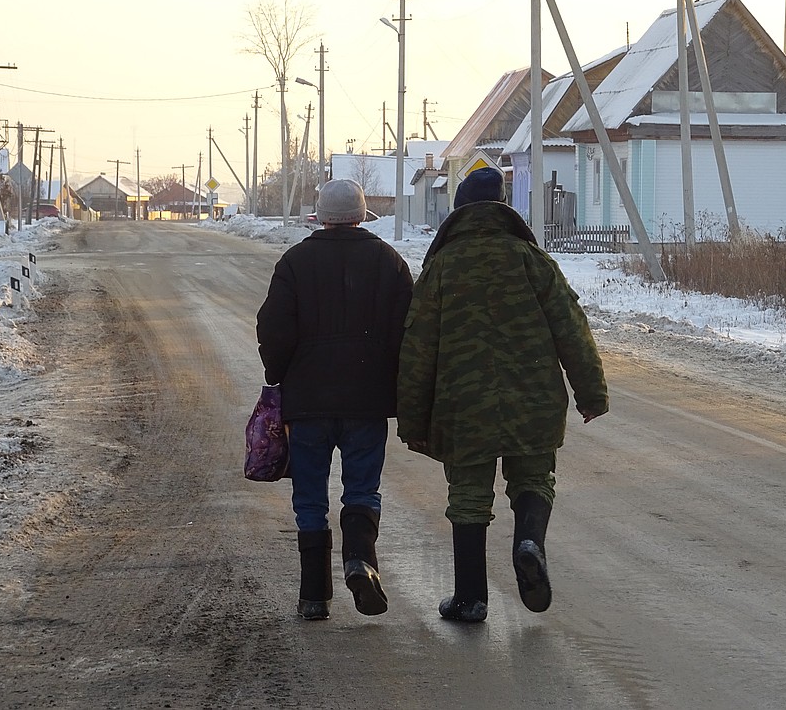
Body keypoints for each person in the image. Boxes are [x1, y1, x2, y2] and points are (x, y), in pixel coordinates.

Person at [397, 167, 609, 622]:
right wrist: (591, 393)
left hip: (463, 404)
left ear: (459, 212)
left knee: (469, 495)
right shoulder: (532, 261)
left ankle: (471, 599)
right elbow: (572, 329)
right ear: (502, 207)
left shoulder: (441, 268)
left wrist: (411, 419)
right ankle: (529, 543)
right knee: (533, 480)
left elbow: (417, 348)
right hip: (533, 398)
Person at [256, 178, 413, 620]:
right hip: (367, 400)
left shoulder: (296, 261)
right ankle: (360, 559)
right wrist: (396, 380)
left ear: (320, 215)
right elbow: (409, 329)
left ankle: (313, 595)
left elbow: (273, 326)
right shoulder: (388, 261)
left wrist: (278, 372)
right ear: (363, 214)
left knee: (310, 496)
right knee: (362, 487)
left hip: (308, 401)